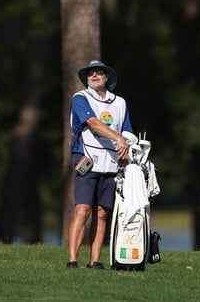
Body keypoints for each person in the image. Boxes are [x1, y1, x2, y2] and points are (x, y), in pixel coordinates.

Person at [66, 60, 132, 269]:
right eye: (90, 74)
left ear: (107, 78)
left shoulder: (120, 103)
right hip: (86, 157)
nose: (94, 76)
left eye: (98, 73)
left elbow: (127, 131)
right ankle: (73, 260)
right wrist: (118, 138)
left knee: (103, 211)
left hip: (112, 161)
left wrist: (126, 146)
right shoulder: (80, 98)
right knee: (83, 209)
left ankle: (95, 261)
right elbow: (93, 122)